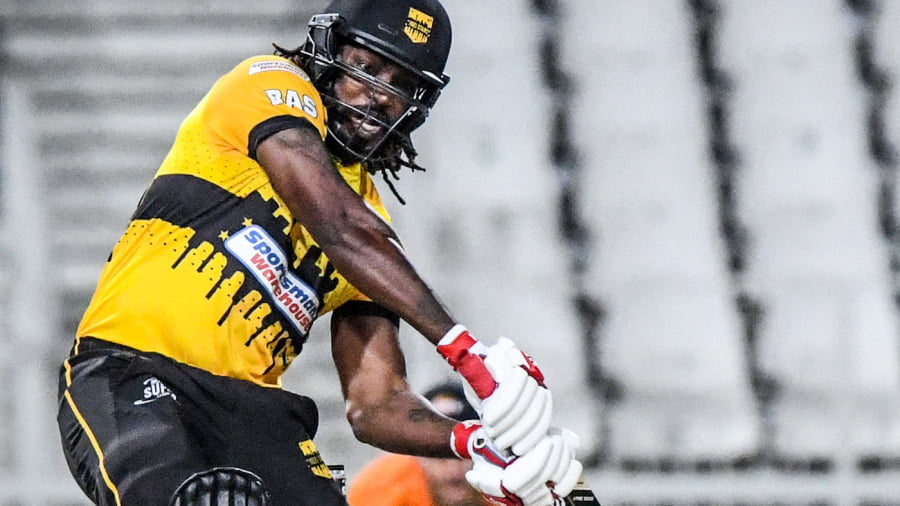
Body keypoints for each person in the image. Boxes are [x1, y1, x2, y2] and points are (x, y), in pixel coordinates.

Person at [55, 0, 582, 505]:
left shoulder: (371, 233)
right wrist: (466, 351)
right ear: (327, 48)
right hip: (132, 372)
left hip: (254, 415)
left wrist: (475, 441)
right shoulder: (267, 85)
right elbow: (337, 225)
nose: (380, 95)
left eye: (402, 84)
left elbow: (376, 405)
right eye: (366, 67)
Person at [347, 381, 491, 506]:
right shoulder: (379, 489)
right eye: (437, 455)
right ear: (415, 453)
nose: (452, 470)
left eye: (463, 454)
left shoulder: (501, 476)